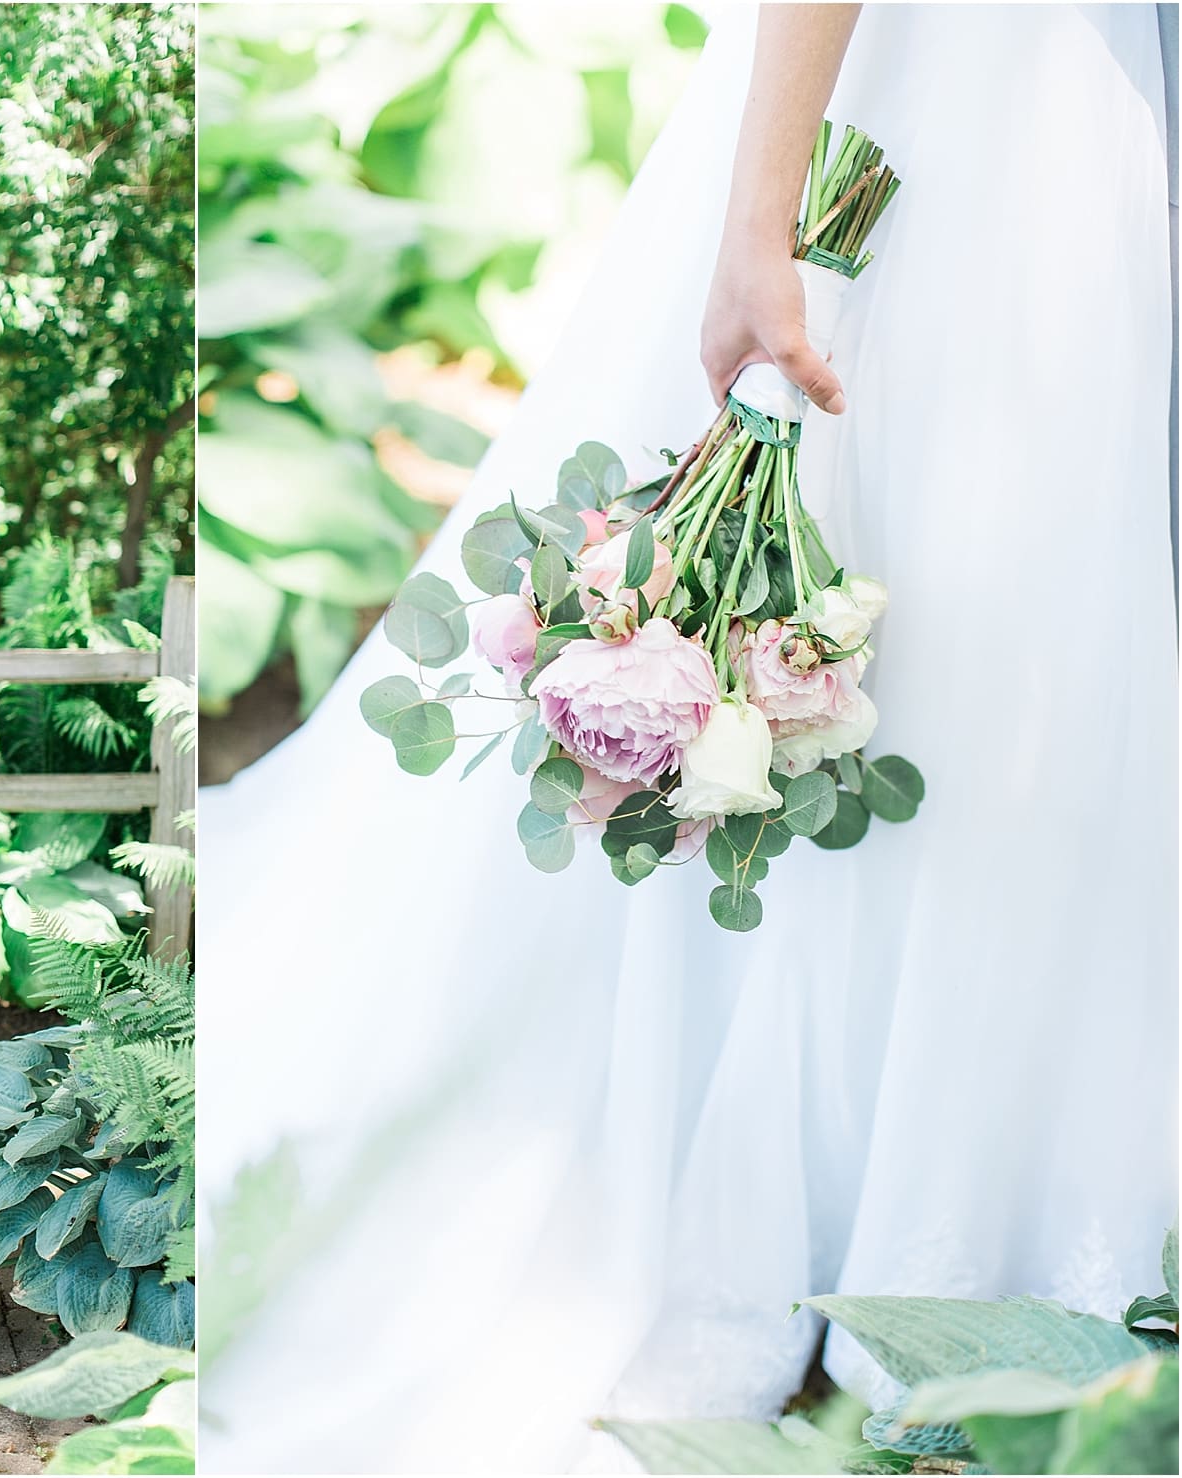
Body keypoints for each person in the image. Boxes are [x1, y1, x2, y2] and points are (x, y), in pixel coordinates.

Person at [199, 5, 1176, 1472]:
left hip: (1040, 119)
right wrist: (757, 218)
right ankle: (863, 1222)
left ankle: (919, 1219)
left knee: (984, 656)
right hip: (940, 109)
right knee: (932, 628)